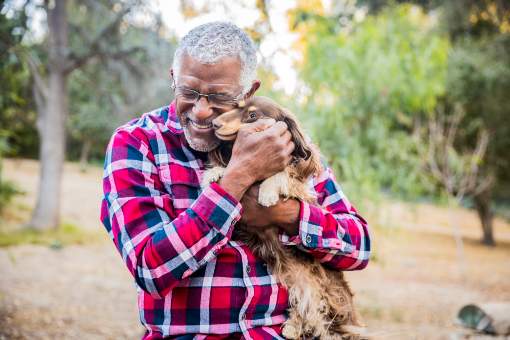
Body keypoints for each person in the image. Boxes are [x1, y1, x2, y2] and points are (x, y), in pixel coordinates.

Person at [100, 21, 370, 340]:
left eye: (218, 96)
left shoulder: (283, 141)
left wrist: (286, 215)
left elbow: (359, 247)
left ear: (248, 92)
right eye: (189, 92)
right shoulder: (137, 144)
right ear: (173, 78)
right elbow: (151, 269)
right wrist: (237, 177)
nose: (200, 111)